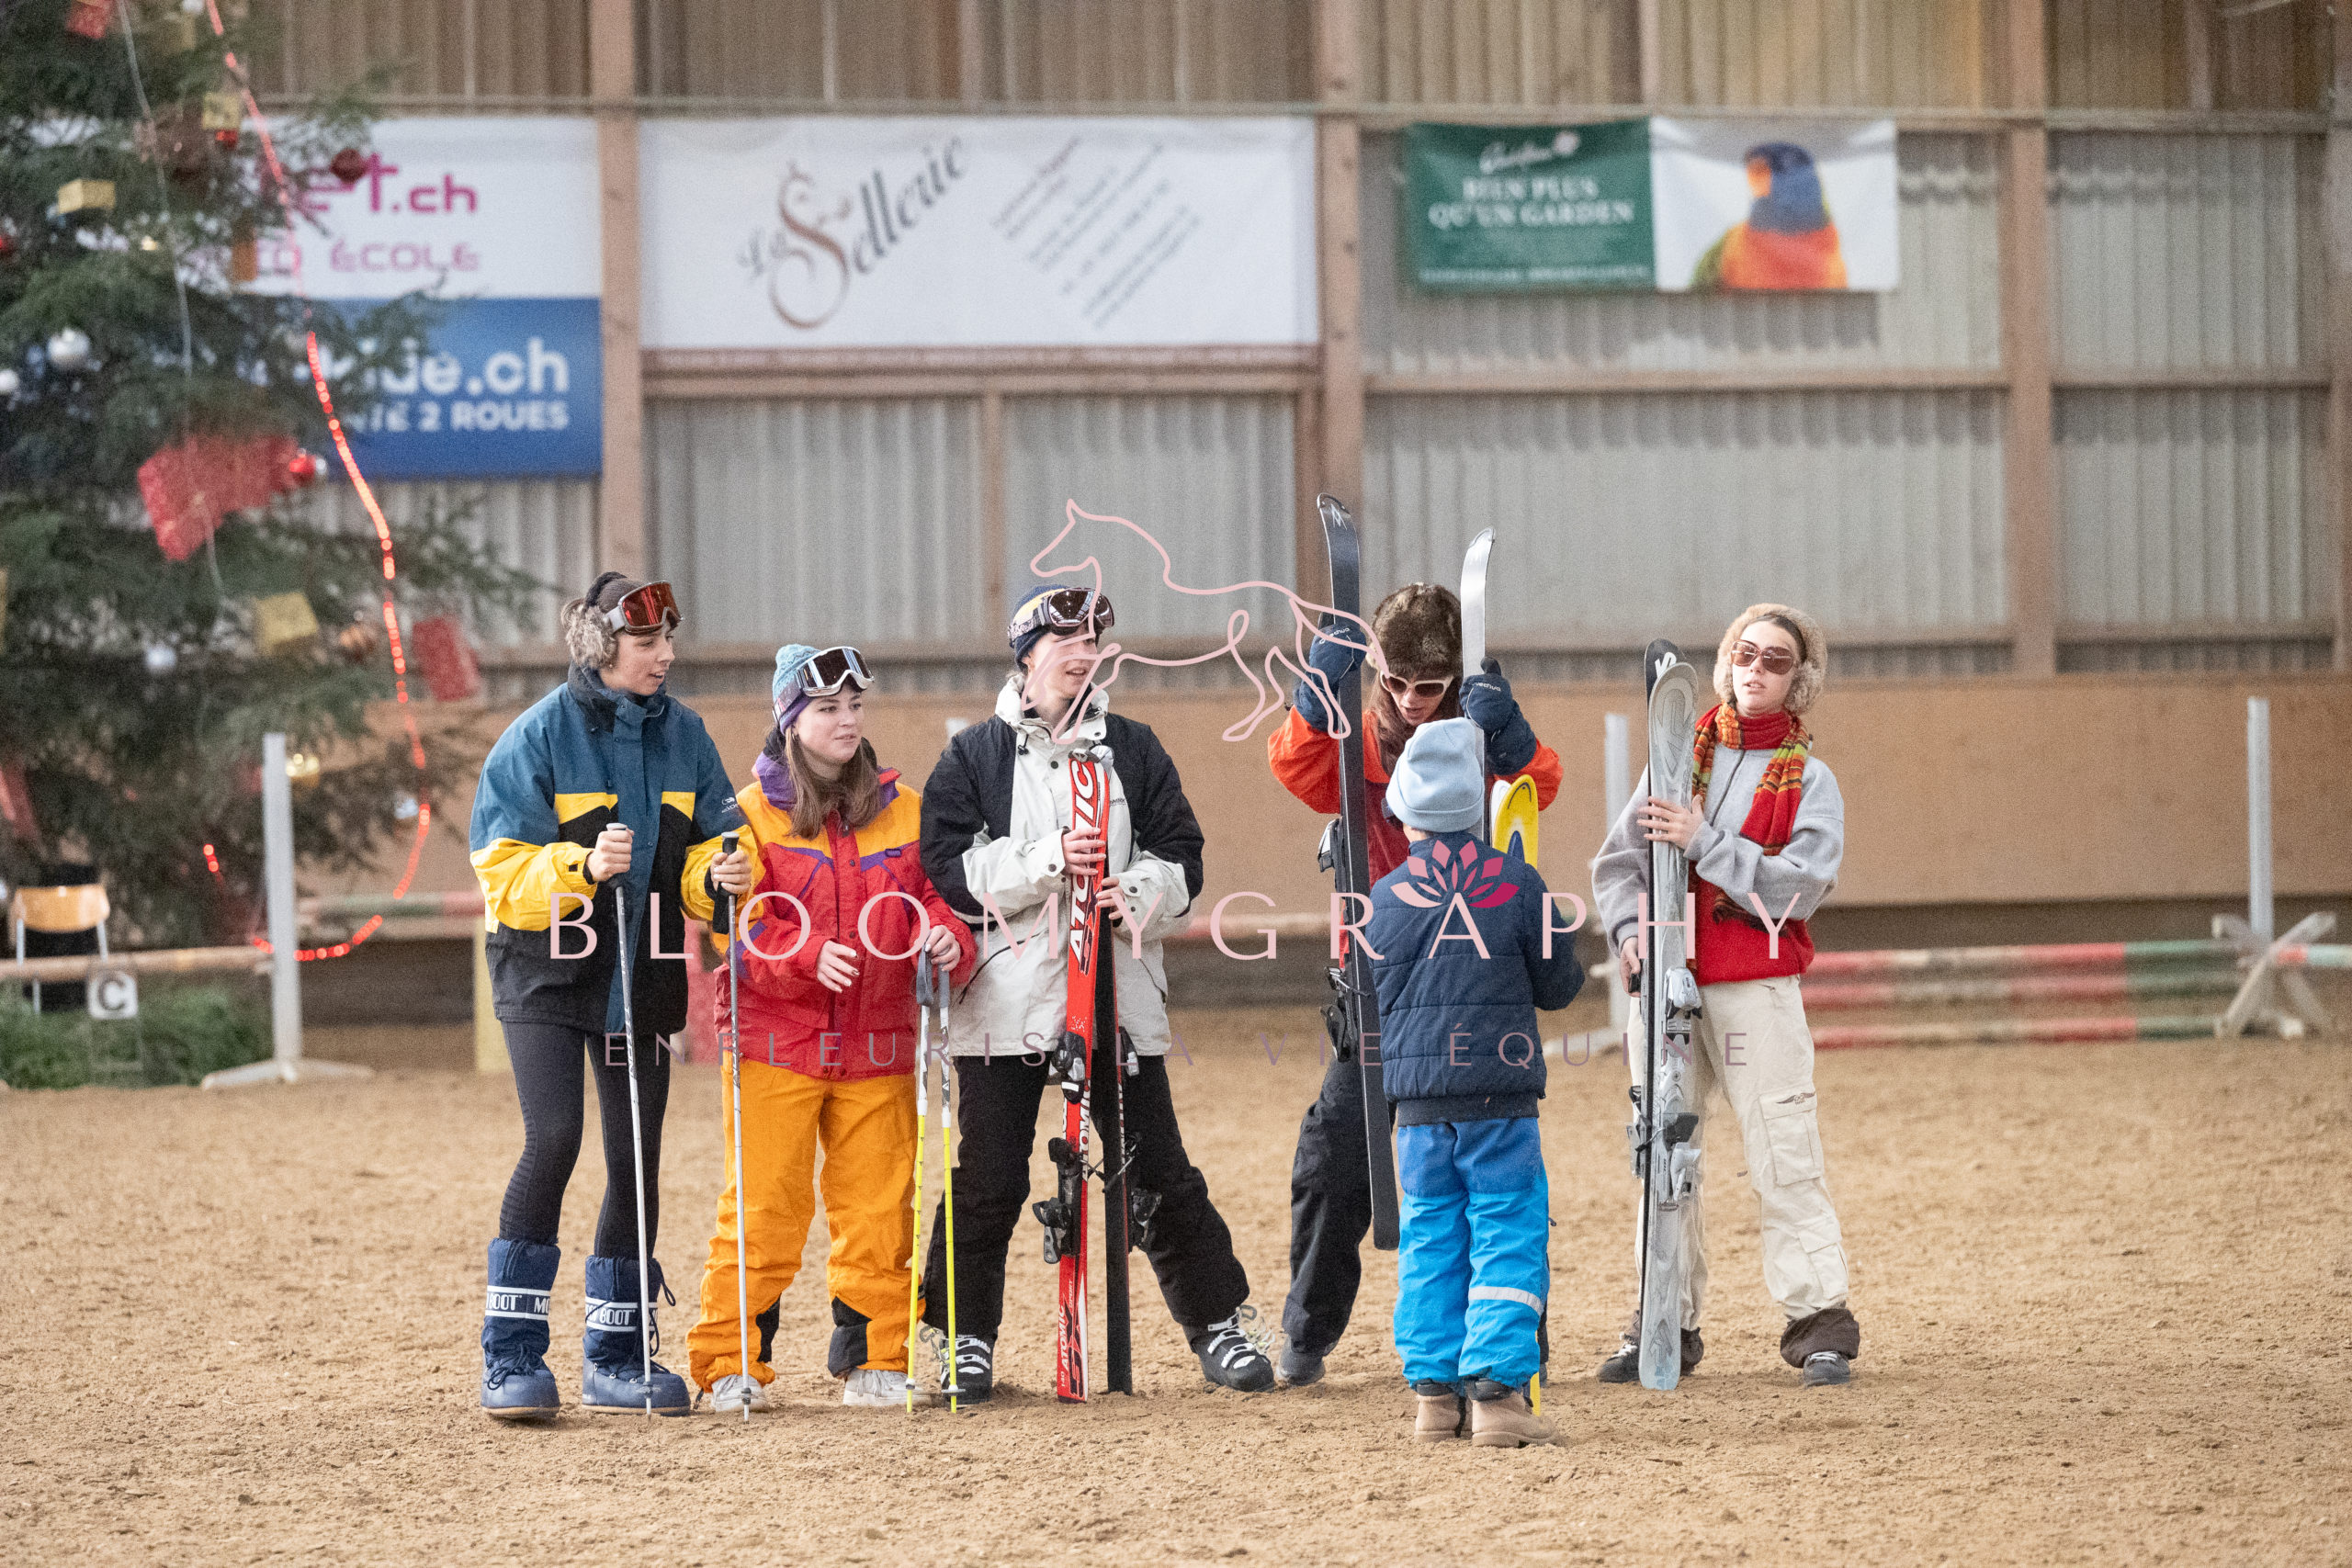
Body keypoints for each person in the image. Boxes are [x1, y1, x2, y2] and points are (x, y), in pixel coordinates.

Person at [915, 582, 1274, 1399]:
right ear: (1026, 655)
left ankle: (1218, 1321)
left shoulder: (1134, 750)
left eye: (1092, 640)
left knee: (1157, 1167)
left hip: (1115, 995)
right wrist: (1050, 860)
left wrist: (1136, 892)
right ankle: (962, 1336)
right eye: (1065, 640)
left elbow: (1182, 854)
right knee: (989, 1176)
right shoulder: (973, 757)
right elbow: (949, 870)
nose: (1083, 653)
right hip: (1004, 1003)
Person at [1265, 581, 1564, 1386]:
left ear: (1455, 678)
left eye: (1428, 685)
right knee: (1333, 1158)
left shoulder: (1479, 735)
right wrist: (1316, 691)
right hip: (1378, 987)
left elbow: (1538, 788)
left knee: (1497, 1173)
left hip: (1470, 985)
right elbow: (1293, 766)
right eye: (1393, 681)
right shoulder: (1353, 744)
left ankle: (1518, 1342)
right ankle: (1308, 1331)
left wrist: (1508, 734)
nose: (1407, 699)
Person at [469, 572, 753, 1419]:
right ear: (599, 644)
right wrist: (582, 866)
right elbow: (499, 869)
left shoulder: (687, 734)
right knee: (554, 1136)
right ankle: (511, 1354)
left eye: (670, 639)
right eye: (647, 641)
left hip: (643, 971)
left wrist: (721, 876)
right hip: (546, 971)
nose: (665, 655)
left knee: (636, 1155)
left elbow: (714, 844)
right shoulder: (536, 735)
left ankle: (619, 1356)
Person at [684, 644, 977, 1413]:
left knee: (880, 1212)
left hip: (880, 1045)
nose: (847, 721)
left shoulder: (908, 809)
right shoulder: (747, 815)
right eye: (826, 708)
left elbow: (940, 898)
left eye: (854, 706)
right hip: (773, 1044)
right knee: (762, 1209)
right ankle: (730, 1363)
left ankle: (877, 1359)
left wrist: (949, 938)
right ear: (791, 719)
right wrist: (807, 953)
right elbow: (740, 926)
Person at [1590, 603, 1860, 1387]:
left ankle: (1819, 1320)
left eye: (1776, 659)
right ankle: (1663, 1319)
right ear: (1726, 662)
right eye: (1746, 653)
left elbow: (1800, 888)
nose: (1756, 668)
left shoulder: (1812, 780)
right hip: (1666, 984)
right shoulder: (1675, 759)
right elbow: (1618, 865)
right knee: (1662, 1151)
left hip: (1756, 987)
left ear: (1799, 679)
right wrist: (1629, 932)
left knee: (1782, 1146)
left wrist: (1704, 840)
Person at [1364, 717, 1583, 1447]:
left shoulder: (1382, 898)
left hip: (1417, 1107)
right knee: (1507, 1230)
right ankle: (1497, 1396)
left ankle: (1435, 1398)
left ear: (1405, 812)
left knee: (1430, 1237)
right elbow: (1560, 986)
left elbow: (1370, 1000)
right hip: (1500, 1097)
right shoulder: (1517, 885)